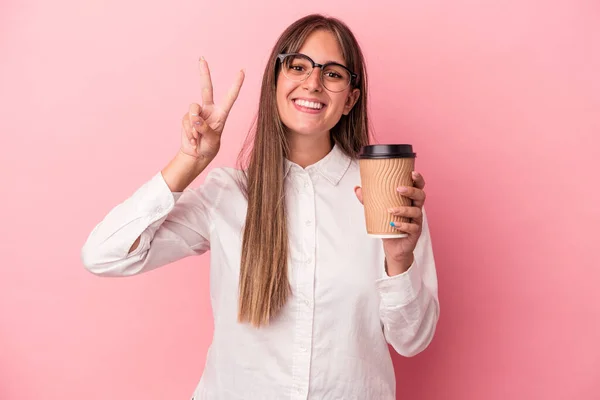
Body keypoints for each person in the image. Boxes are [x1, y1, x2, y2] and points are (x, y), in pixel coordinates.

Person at [81, 13, 439, 400]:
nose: (313, 83)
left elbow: (412, 340)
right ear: (275, 82)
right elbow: (103, 256)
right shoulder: (227, 194)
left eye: (333, 73)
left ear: (350, 99)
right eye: (298, 66)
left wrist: (399, 259)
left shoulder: (383, 195)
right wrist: (190, 161)